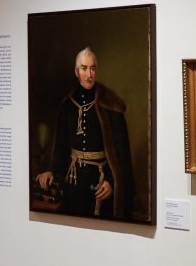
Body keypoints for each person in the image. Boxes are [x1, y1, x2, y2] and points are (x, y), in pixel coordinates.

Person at [36, 48, 133, 221]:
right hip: (73, 182)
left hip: (100, 182)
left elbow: (122, 152)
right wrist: (51, 170)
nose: (89, 74)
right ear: (76, 71)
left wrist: (111, 181)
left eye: (92, 68)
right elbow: (61, 146)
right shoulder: (67, 105)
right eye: (84, 68)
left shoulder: (110, 104)